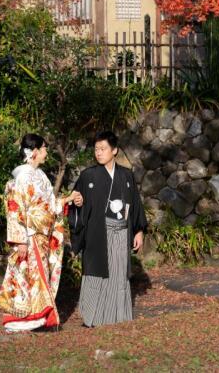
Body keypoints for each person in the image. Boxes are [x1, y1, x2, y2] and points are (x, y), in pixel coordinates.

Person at [0, 133, 82, 332]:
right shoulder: (22, 176)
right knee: (32, 276)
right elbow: (15, 208)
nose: (45, 152)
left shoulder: (41, 176)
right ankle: (28, 319)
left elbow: (49, 205)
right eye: (43, 149)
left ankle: (35, 318)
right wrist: (20, 240)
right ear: (34, 152)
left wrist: (67, 199)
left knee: (36, 276)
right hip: (30, 233)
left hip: (43, 233)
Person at [70, 130, 148, 327]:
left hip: (121, 232)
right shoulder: (88, 175)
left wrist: (138, 230)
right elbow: (75, 202)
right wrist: (77, 202)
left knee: (119, 274)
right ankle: (93, 317)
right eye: (96, 149)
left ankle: (118, 315)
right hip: (97, 233)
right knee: (96, 272)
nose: (99, 152)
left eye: (103, 148)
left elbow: (135, 204)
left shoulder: (126, 175)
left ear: (114, 150)